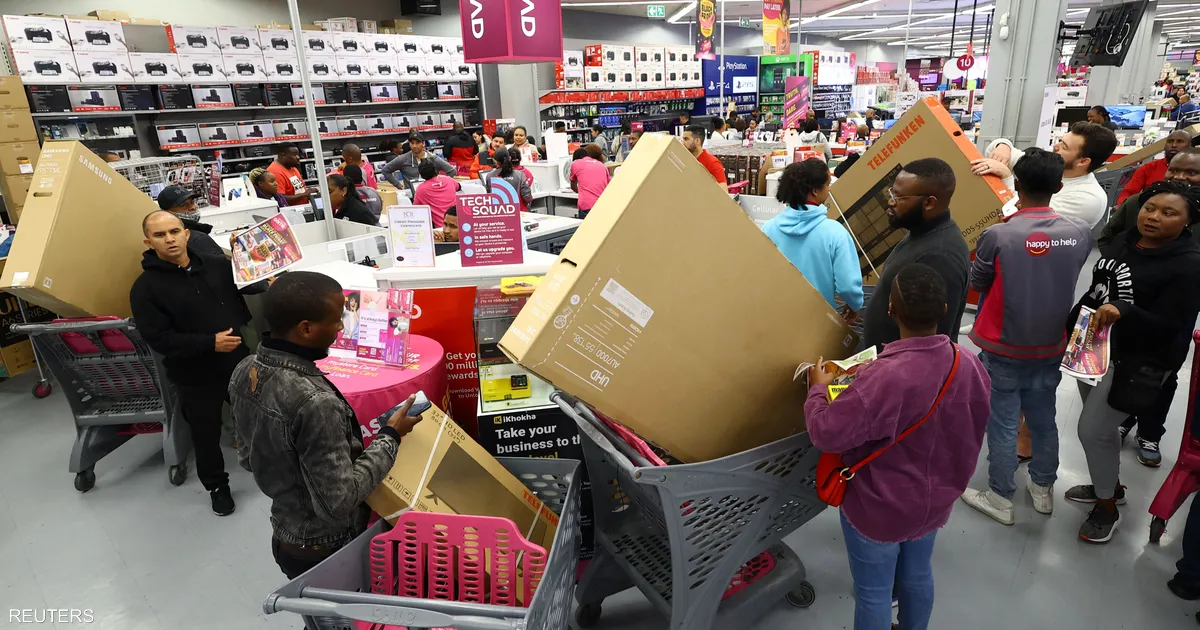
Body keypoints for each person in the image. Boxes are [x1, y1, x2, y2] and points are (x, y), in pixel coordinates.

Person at [805, 263, 990, 630]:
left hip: (879, 506)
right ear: (944, 309)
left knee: (874, 592)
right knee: (918, 574)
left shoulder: (883, 377)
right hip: (935, 500)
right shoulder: (968, 364)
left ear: (890, 309)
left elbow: (826, 433)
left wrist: (818, 389)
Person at [229, 271, 425, 578]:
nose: (341, 328)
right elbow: (338, 502)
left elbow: (247, 458)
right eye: (336, 321)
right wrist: (390, 436)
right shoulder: (315, 402)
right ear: (306, 328)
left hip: (286, 535)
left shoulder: (244, 370)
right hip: (330, 550)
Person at [958, 148, 1093, 525]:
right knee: (1043, 419)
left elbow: (978, 281)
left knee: (1002, 422)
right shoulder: (1079, 233)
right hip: (1051, 343)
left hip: (1003, 345)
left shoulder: (999, 234)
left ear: (1016, 184)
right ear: (1059, 186)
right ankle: (1043, 488)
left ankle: (1000, 496)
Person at [1066, 179, 1200, 543]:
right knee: (1102, 429)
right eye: (1149, 208)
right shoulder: (1127, 241)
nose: (1153, 217)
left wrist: (1124, 311)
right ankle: (1109, 485)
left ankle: (1106, 507)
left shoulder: (1188, 266)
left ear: (1188, 221)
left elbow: (1171, 325)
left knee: (1092, 430)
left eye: (1168, 213)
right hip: (1093, 344)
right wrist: (1075, 324)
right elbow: (1101, 287)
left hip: (1138, 360)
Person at [130, 211, 266, 517]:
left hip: (237, 362)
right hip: (194, 374)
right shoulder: (145, 288)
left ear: (186, 233)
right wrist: (208, 343)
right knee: (206, 435)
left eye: (174, 231)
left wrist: (261, 267)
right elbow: (158, 338)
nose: (170, 239)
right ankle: (217, 487)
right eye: (160, 235)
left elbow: (247, 285)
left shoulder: (217, 265)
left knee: (259, 418)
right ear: (148, 242)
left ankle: (273, 466)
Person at [861, 158, 969, 351]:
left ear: (929, 203)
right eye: (891, 193)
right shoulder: (918, 232)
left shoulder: (940, 258)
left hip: (902, 367)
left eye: (898, 197)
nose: (890, 202)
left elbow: (931, 346)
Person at [763, 159, 863, 319]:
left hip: (776, 317)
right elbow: (848, 287)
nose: (829, 189)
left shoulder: (768, 228)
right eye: (827, 184)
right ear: (815, 190)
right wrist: (854, 304)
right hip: (819, 322)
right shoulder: (835, 233)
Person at [972, 121, 1118, 228]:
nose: (1056, 146)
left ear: (1083, 161)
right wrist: (1004, 146)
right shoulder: (1050, 166)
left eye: (1064, 147)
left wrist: (1007, 178)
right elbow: (994, 150)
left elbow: (1027, 216)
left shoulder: (1088, 199)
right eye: (1060, 141)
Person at [1104, 148, 1200, 247]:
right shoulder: (1136, 202)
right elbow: (1107, 238)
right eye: (1173, 170)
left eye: (1191, 173)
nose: (1179, 177)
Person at [1116, 130, 1192, 205]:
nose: (1174, 145)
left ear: (1189, 145)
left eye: (1180, 141)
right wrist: (1122, 206)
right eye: (1170, 141)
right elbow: (1128, 193)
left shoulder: (1195, 169)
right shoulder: (1148, 168)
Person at [156, 184, 222, 258]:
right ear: (166, 212)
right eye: (183, 205)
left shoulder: (161, 238)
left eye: (192, 202)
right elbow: (220, 264)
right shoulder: (196, 239)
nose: (192, 207)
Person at [381, 132, 457, 188]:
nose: (414, 146)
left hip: (431, 194)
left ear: (423, 144)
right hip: (413, 197)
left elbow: (451, 171)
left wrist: (441, 184)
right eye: (412, 143)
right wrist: (398, 185)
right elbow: (385, 170)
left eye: (417, 143)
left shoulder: (433, 158)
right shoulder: (403, 159)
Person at [412, 159, 461, 228]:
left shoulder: (421, 189)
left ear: (421, 175)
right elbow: (459, 186)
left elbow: (415, 209)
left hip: (440, 229)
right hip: (458, 225)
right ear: (435, 171)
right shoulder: (448, 179)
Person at [681, 125, 728, 191]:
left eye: (686, 139)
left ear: (697, 141)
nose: (682, 143)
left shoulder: (712, 163)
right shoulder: (684, 161)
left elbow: (723, 192)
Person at [569, 146, 611, 219]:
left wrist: (583, 190)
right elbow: (608, 187)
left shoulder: (575, 164)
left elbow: (573, 186)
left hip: (586, 205)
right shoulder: (602, 165)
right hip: (602, 205)